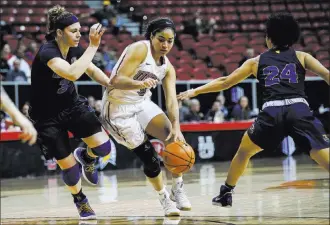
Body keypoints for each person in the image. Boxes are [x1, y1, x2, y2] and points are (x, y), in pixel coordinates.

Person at [177, 13, 329, 207]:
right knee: (321, 153)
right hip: (298, 108)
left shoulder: (256, 62)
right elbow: (325, 74)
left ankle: (226, 193)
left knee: (243, 152)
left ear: (269, 38)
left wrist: (195, 91)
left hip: (272, 112)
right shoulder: (301, 56)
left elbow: (225, 82)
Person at [29, 5, 114, 220]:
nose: (79, 35)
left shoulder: (74, 48)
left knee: (104, 148)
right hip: (47, 118)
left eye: (79, 30)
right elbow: (72, 73)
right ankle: (81, 201)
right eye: (73, 31)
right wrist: (93, 46)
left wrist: (113, 85)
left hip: (72, 106)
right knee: (71, 170)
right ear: (59, 32)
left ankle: (87, 155)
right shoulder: (47, 51)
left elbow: (91, 70)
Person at [101, 18, 191, 216]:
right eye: (161, 39)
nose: (165, 45)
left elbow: (171, 101)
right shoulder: (139, 49)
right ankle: (164, 198)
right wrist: (139, 85)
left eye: (170, 40)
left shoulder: (167, 67)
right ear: (151, 36)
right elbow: (115, 81)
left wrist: (177, 127)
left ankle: (178, 188)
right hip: (118, 109)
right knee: (150, 158)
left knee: (171, 137)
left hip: (141, 103)